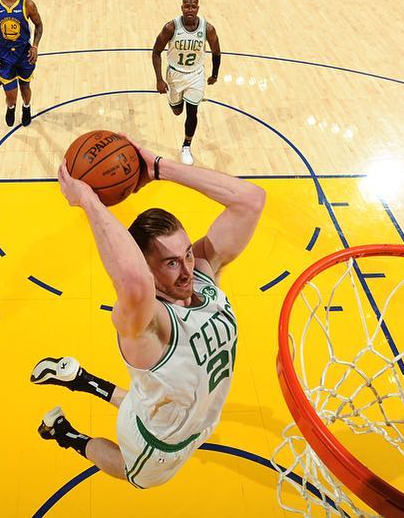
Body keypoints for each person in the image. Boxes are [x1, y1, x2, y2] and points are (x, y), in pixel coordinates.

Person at [32, 138, 265, 489]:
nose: (187, 270)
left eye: (187, 253)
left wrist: (159, 168)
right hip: (154, 446)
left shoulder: (200, 274)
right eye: (171, 263)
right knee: (130, 473)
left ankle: (80, 378)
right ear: (147, 267)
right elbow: (132, 281)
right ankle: (66, 435)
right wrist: (89, 202)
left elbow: (250, 201)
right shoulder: (147, 321)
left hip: (183, 416)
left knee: (147, 399)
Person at [151, 0, 221, 166]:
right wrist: (159, 79)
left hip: (196, 74)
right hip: (175, 75)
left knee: (192, 111)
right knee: (177, 111)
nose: (190, 10)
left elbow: (216, 52)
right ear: (182, 8)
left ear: (198, 8)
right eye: (187, 7)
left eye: (193, 7)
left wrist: (215, 74)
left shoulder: (208, 29)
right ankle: (175, 101)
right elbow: (156, 51)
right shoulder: (170, 27)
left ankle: (186, 146)